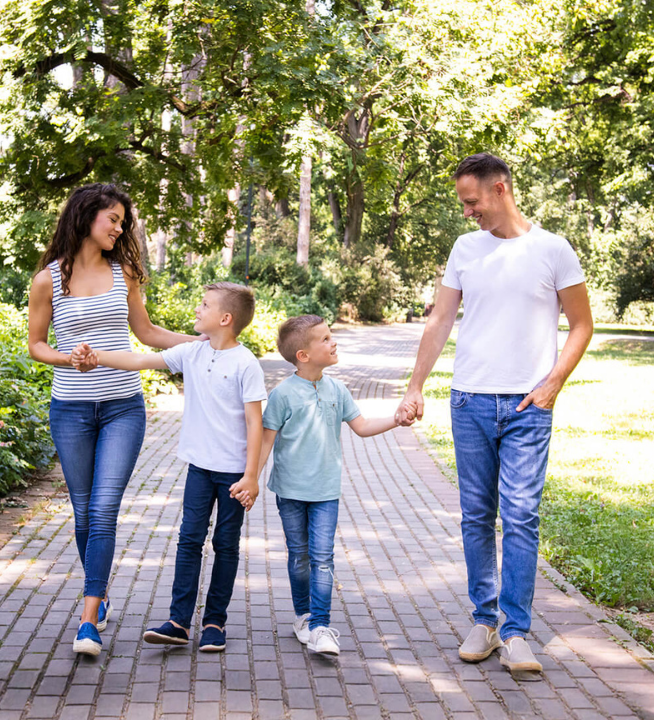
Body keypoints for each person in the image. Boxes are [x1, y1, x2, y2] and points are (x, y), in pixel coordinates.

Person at [396, 153, 594, 676]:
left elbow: (580, 325)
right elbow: (440, 320)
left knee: (522, 517)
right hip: (470, 401)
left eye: (472, 201)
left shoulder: (553, 249)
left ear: (500, 189)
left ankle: (516, 631)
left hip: (529, 405)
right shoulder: (465, 248)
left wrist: (553, 382)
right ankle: (484, 621)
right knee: (478, 517)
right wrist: (416, 385)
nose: (467, 212)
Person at [27, 183, 201, 657]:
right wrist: (68, 360)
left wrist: (202, 343)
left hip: (124, 406)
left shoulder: (126, 273)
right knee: (83, 513)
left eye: (123, 222)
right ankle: (100, 594)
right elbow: (36, 345)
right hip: (71, 410)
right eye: (114, 220)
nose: (120, 228)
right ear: (87, 217)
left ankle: (88, 623)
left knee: (102, 510)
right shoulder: (48, 280)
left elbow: (145, 331)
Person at [74, 282, 266, 653]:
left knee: (225, 545)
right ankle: (179, 622)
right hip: (198, 468)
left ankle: (214, 623)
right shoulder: (192, 353)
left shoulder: (246, 363)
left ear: (225, 318)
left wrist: (251, 475)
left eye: (204, 304)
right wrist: (96, 356)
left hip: (233, 475)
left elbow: (255, 422)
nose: (197, 308)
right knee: (189, 541)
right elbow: (140, 359)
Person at [249, 315, 415, 655]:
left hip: (326, 491)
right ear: (303, 356)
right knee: (299, 556)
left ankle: (321, 626)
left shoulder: (337, 389)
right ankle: (304, 616)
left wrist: (396, 420)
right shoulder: (281, 395)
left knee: (322, 557)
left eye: (331, 335)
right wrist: (251, 477)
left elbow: (363, 426)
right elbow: (266, 442)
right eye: (325, 339)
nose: (333, 342)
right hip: (290, 491)